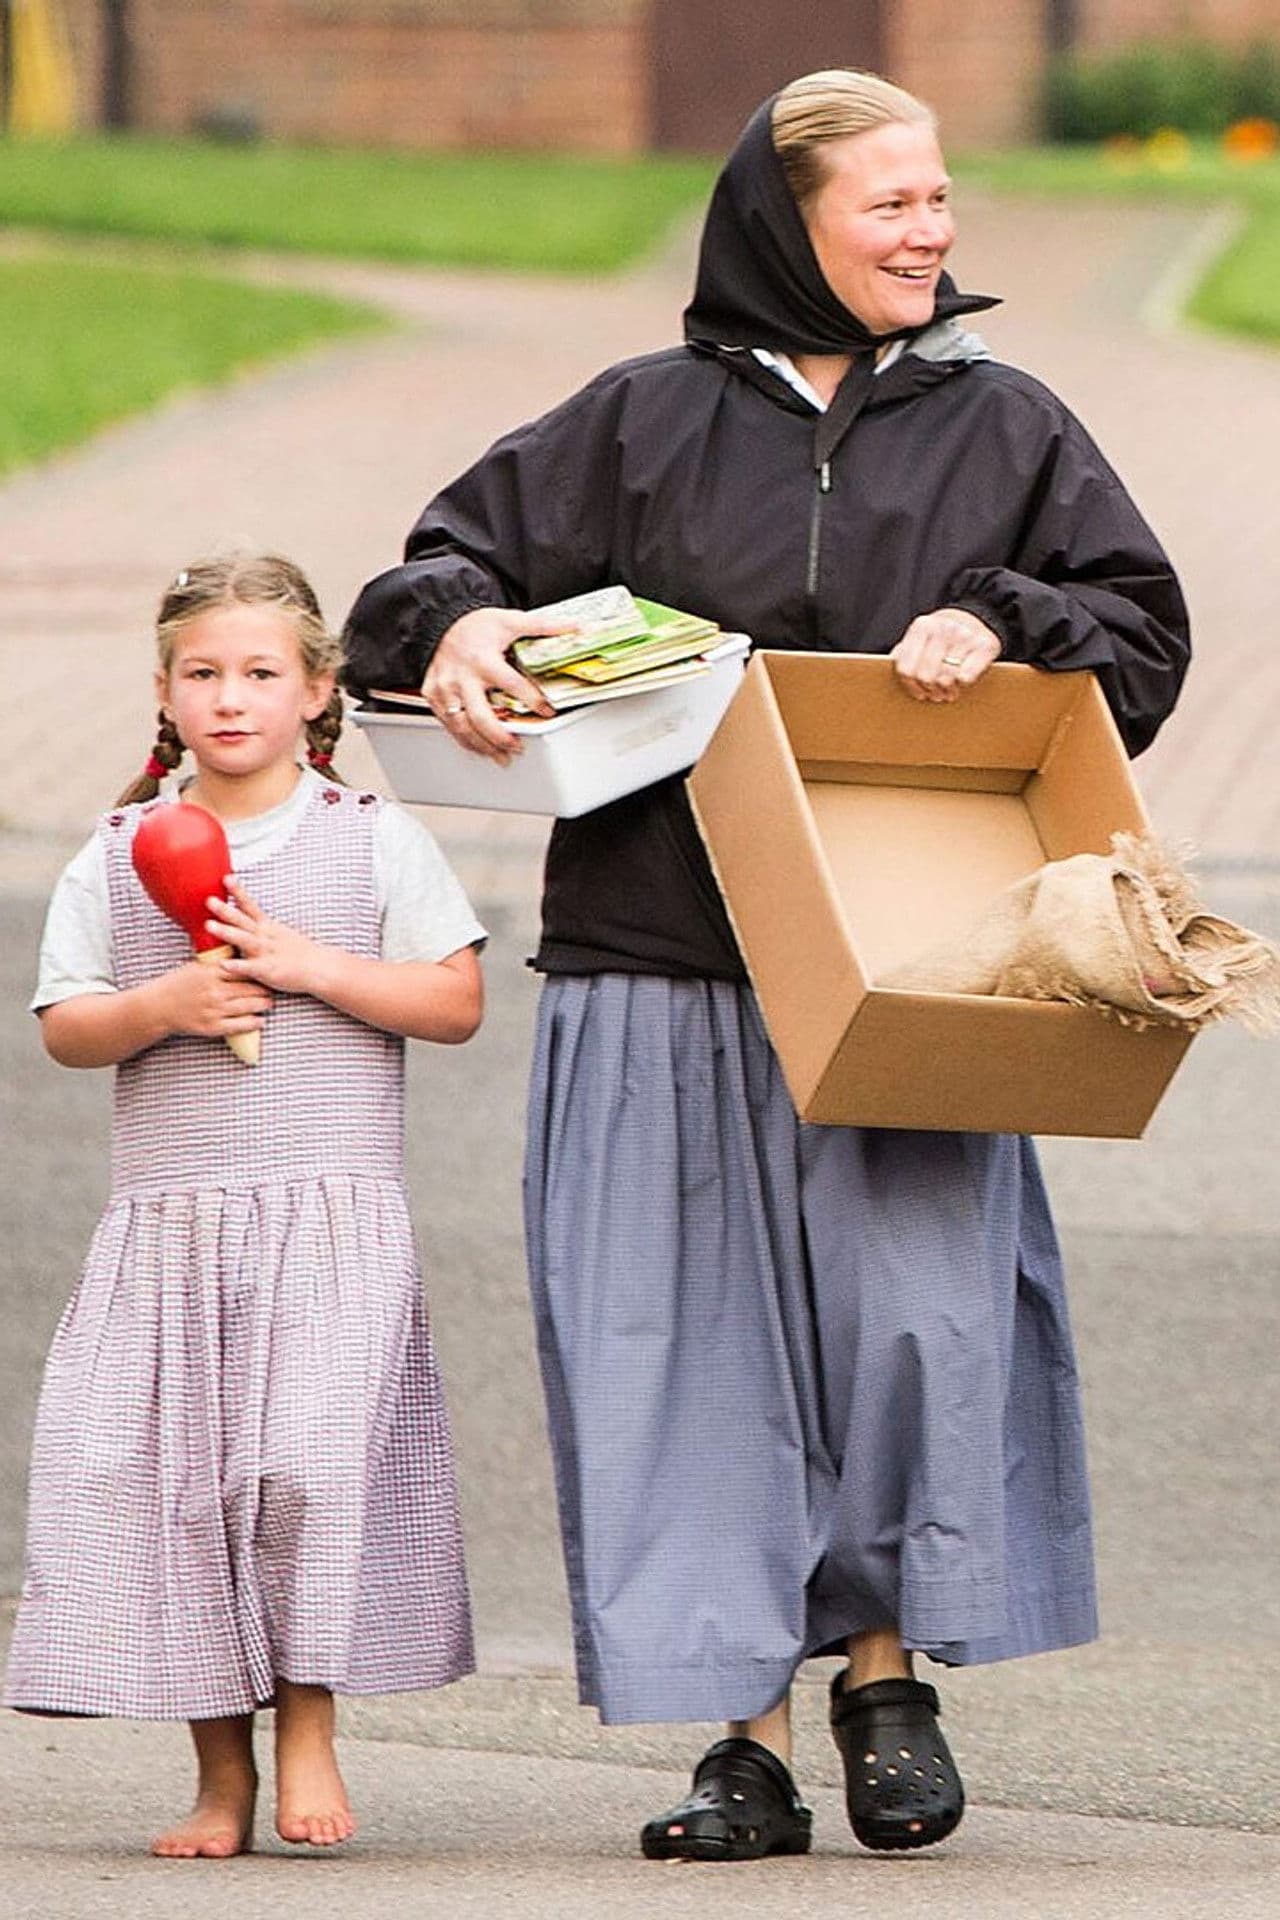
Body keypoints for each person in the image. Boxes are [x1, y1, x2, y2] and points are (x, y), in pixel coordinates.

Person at [344, 70, 1190, 1860]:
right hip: (656, 958)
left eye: (938, 197)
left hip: (915, 975)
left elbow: (1141, 637)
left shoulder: (1006, 423)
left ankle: (887, 1682)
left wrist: (1004, 618)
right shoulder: (638, 419)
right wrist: (468, 628)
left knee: (911, 1328)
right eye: (891, 203)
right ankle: (745, 1738)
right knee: (685, 1347)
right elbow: (428, 574)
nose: (932, 231)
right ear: (784, 225)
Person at [4, 553, 486, 1858]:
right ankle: (220, 1777)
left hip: (330, 1231)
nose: (230, 697)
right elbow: (66, 1025)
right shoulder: (121, 851)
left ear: (317, 690)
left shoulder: (371, 837)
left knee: (303, 1476)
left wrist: (312, 965)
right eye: (203, 673)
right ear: (165, 693)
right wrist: (164, 1005)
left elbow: (454, 1001)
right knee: (181, 1493)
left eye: (261, 673)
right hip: (173, 1230)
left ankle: (310, 1726)